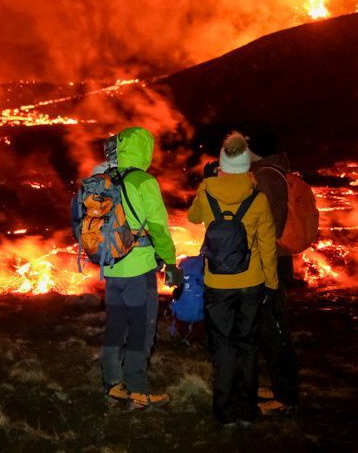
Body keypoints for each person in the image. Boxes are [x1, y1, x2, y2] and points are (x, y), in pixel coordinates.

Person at [188, 132, 278, 425]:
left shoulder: (207, 191)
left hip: (217, 283)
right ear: (246, 166)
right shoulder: (259, 198)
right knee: (248, 345)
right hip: (251, 282)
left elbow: (192, 217)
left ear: (223, 164)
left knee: (223, 346)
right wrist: (271, 283)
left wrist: (208, 182)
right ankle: (248, 411)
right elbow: (267, 244)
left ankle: (224, 412)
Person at [101, 127, 180, 408]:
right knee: (141, 329)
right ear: (145, 150)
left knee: (115, 326)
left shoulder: (105, 179)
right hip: (139, 270)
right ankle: (136, 388)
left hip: (110, 268)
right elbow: (158, 227)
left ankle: (112, 383)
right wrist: (170, 262)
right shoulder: (144, 181)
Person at [247, 132, 299, 416]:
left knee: (275, 328)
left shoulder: (265, 176)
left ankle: (286, 396)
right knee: (266, 326)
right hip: (274, 260)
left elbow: (269, 224)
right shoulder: (272, 170)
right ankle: (279, 386)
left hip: (271, 262)